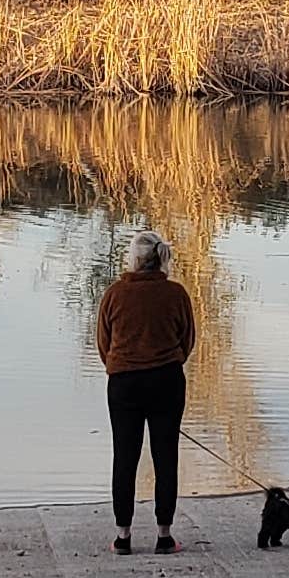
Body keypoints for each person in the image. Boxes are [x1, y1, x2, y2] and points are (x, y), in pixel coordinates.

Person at [94, 230, 195, 555]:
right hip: (166, 380)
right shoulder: (176, 294)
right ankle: (164, 535)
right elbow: (187, 340)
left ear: (134, 259)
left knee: (125, 456)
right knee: (166, 456)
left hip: (124, 382)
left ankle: (123, 536)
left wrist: (121, 365)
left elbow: (103, 343)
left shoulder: (114, 294)